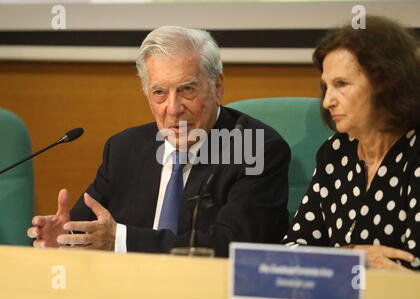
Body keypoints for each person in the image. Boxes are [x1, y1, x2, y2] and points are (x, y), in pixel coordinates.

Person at [27, 26, 291, 257]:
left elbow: (230, 248)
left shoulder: (256, 149)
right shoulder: (123, 149)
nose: (173, 109)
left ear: (217, 87)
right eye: (159, 93)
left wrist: (119, 240)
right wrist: (62, 238)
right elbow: (88, 231)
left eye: (187, 89)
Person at [282, 16, 420, 271]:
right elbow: (296, 247)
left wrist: (333, 261)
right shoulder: (336, 151)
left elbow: (412, 267)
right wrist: (351, 257)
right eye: (326, 87)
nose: (327, 102)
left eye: (341, 84)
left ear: (387, 83)